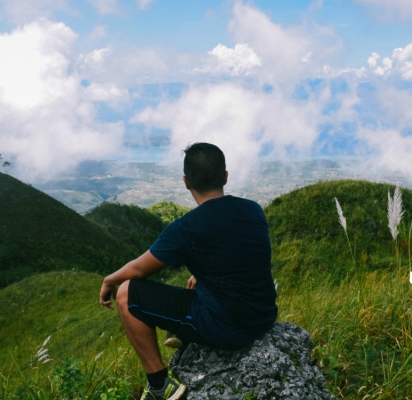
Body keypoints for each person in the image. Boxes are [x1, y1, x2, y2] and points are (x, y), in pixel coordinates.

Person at [99, 142, 278, 400]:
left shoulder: (186, 228)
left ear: (186, 182)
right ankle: (182, 334)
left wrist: (110, 280)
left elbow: (138, 270)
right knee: (196, 278)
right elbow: (239, 256)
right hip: (264, 318)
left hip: (229, 330)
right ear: (225, 176)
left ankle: (160, 386)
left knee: (127, 293)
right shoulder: (253, 209)